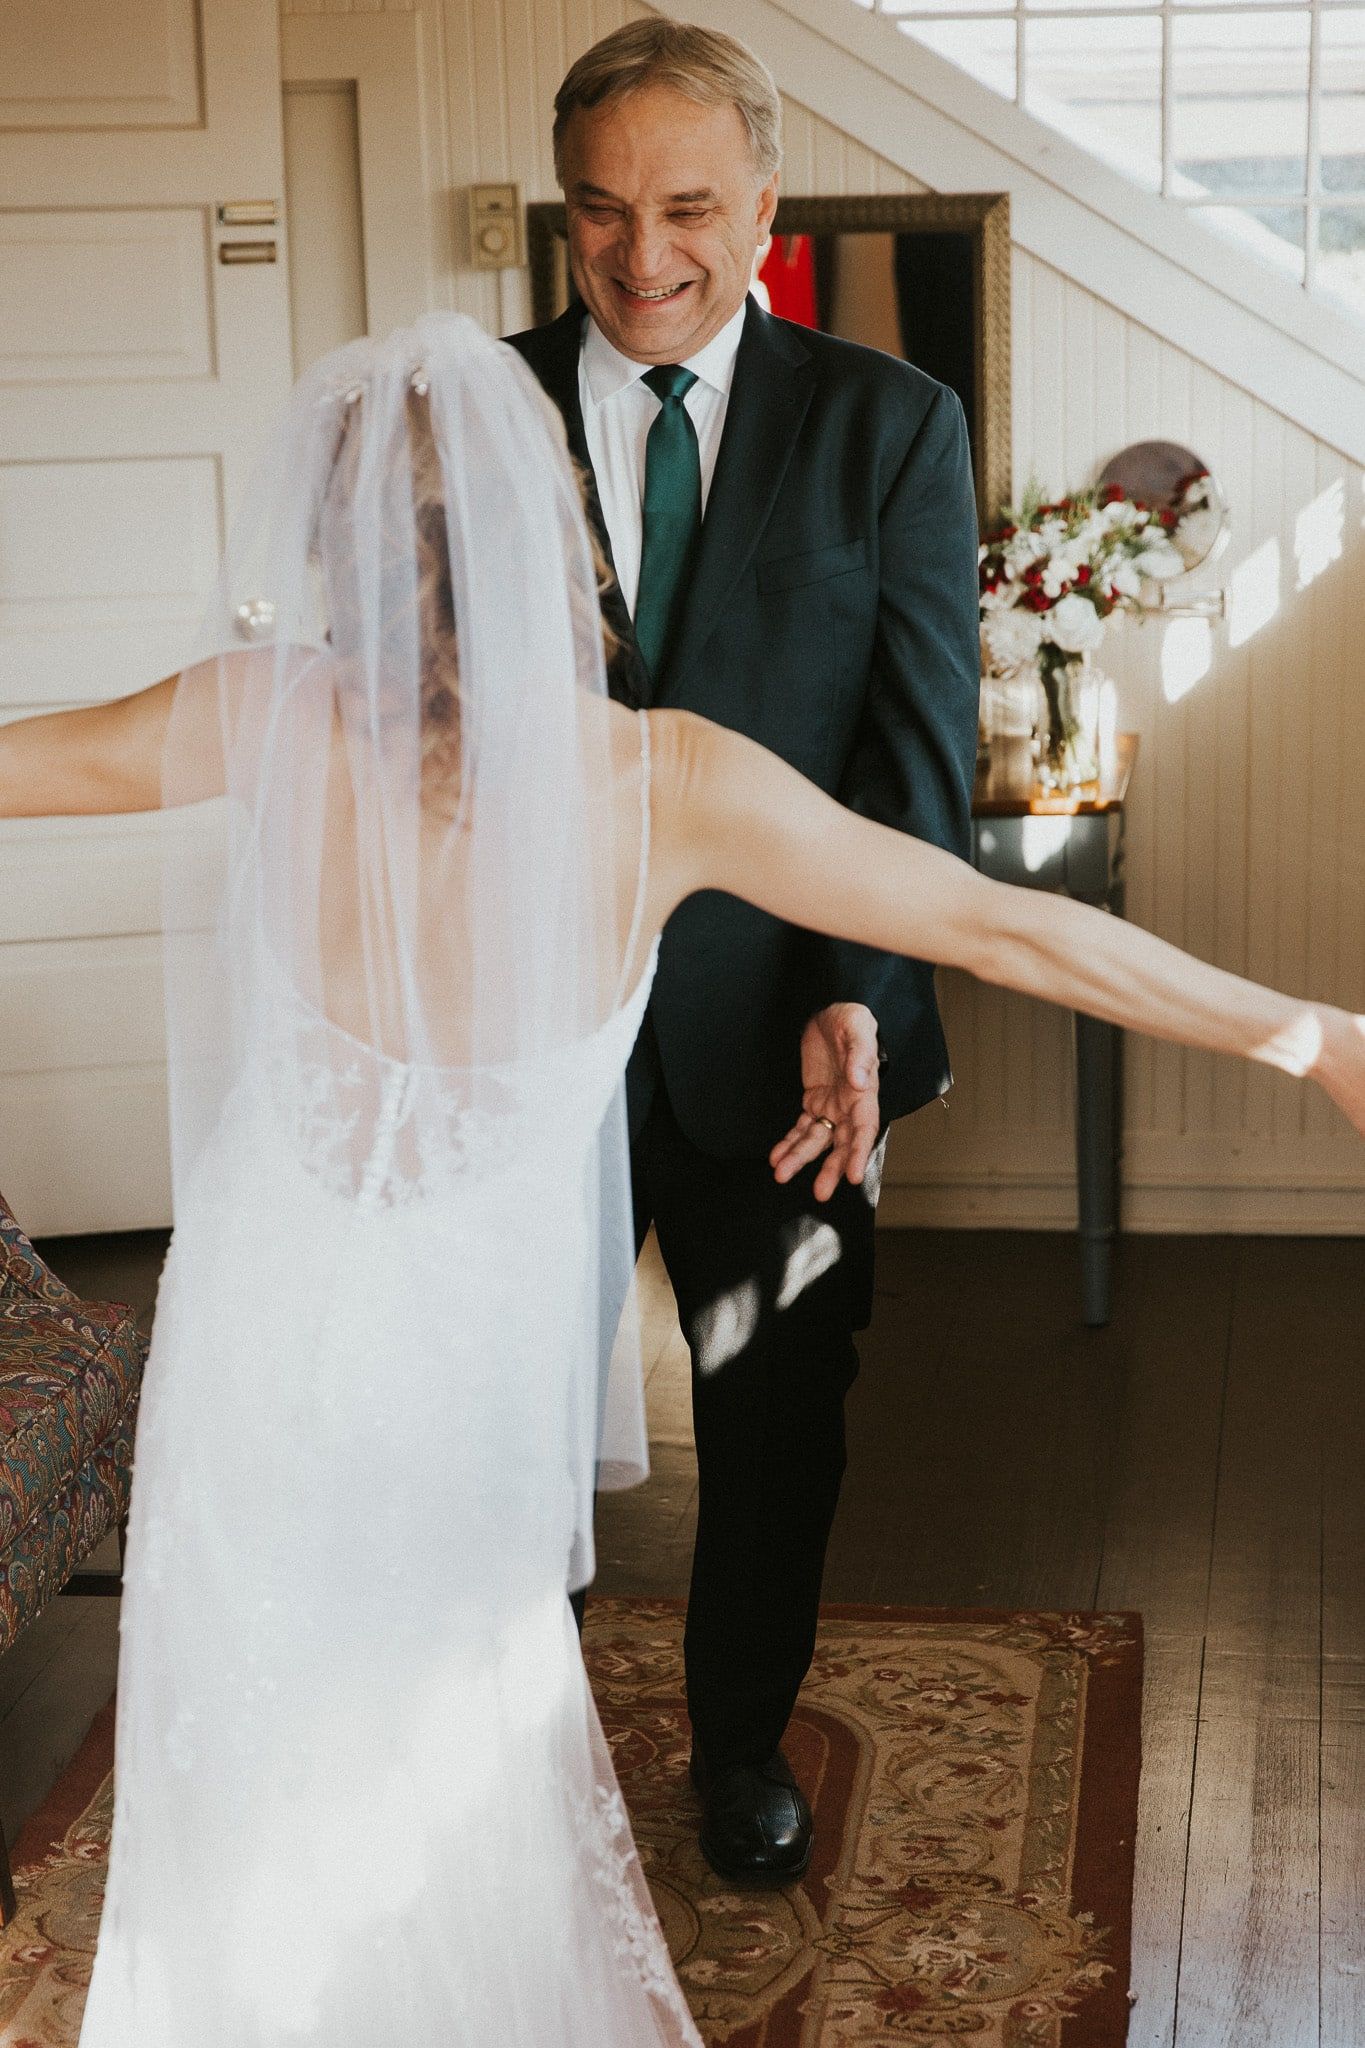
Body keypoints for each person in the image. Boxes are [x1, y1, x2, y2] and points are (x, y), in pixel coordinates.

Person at [1, 315, 1360, 2048]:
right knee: (443, 1768)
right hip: (448, 1398)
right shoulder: (663, 785)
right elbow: (1007, 926)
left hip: (253, 1363)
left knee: (259, 1761)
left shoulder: (252, 715)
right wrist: (1306, 1037)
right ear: (557, 532)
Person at [506, 18, 983, 1883]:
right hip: (517, 1033)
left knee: (773, 1396)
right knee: (486, 1419)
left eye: (689, 207)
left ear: (763, 201)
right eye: (601, 212)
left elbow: (914, 763)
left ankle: (734, 1748)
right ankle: (495, 1752)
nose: (644, 258)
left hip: (782, 1032)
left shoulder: (890, 425)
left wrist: (861, 1001)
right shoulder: (470, 408)